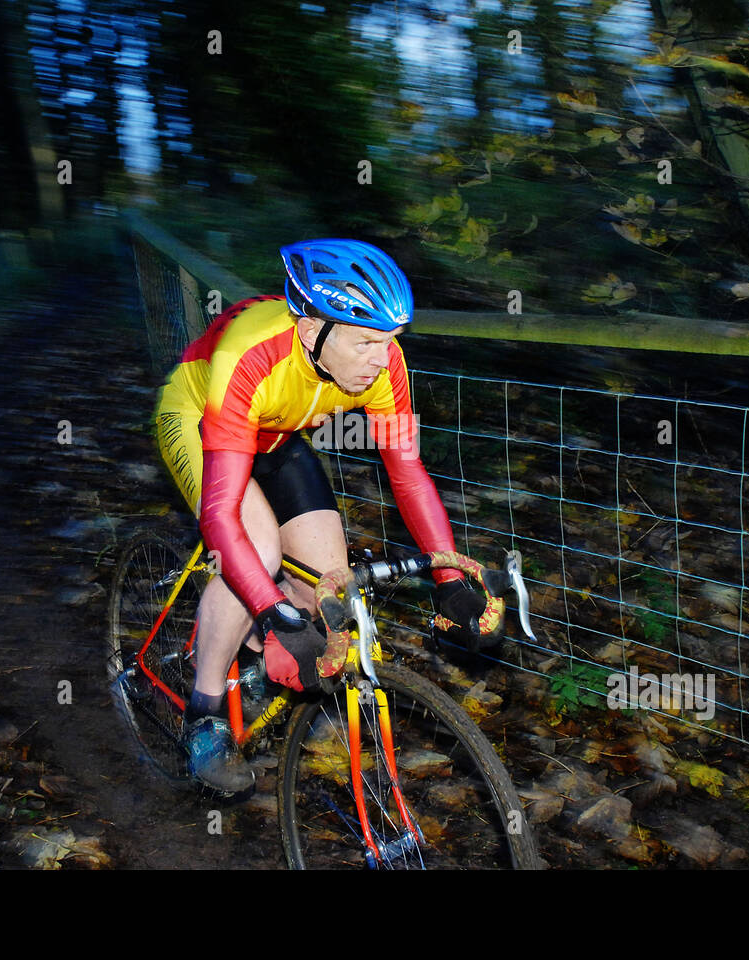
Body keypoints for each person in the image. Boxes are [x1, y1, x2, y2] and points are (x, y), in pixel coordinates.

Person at [154, 238, 499, 794]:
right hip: (201, 421)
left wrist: (450, 576)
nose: (381, 358)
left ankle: (256, 660)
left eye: (390, 342)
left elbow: (407, 474)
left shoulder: (384, 364)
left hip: (278, 434)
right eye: (365, 342)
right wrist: (272, 612)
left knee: (329, 588)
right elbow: (220, 514)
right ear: (313, 331)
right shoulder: (251, 354)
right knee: (258, 551)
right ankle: (206, 710)